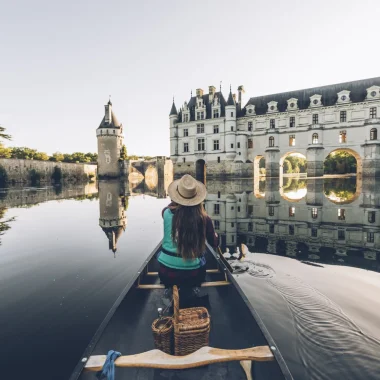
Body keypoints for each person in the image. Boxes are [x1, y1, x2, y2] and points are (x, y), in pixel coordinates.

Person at [157, 174, 218, 293]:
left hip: (165, 275)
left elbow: (171, 211)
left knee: (160, 255)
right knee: (202, 259)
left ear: (175, 197)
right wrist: (216, 237)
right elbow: (214, 244)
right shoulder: (205, 219)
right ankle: (194, 290)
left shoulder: (165, 213)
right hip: (193, 276)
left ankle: (170, 290)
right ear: (197, 199)